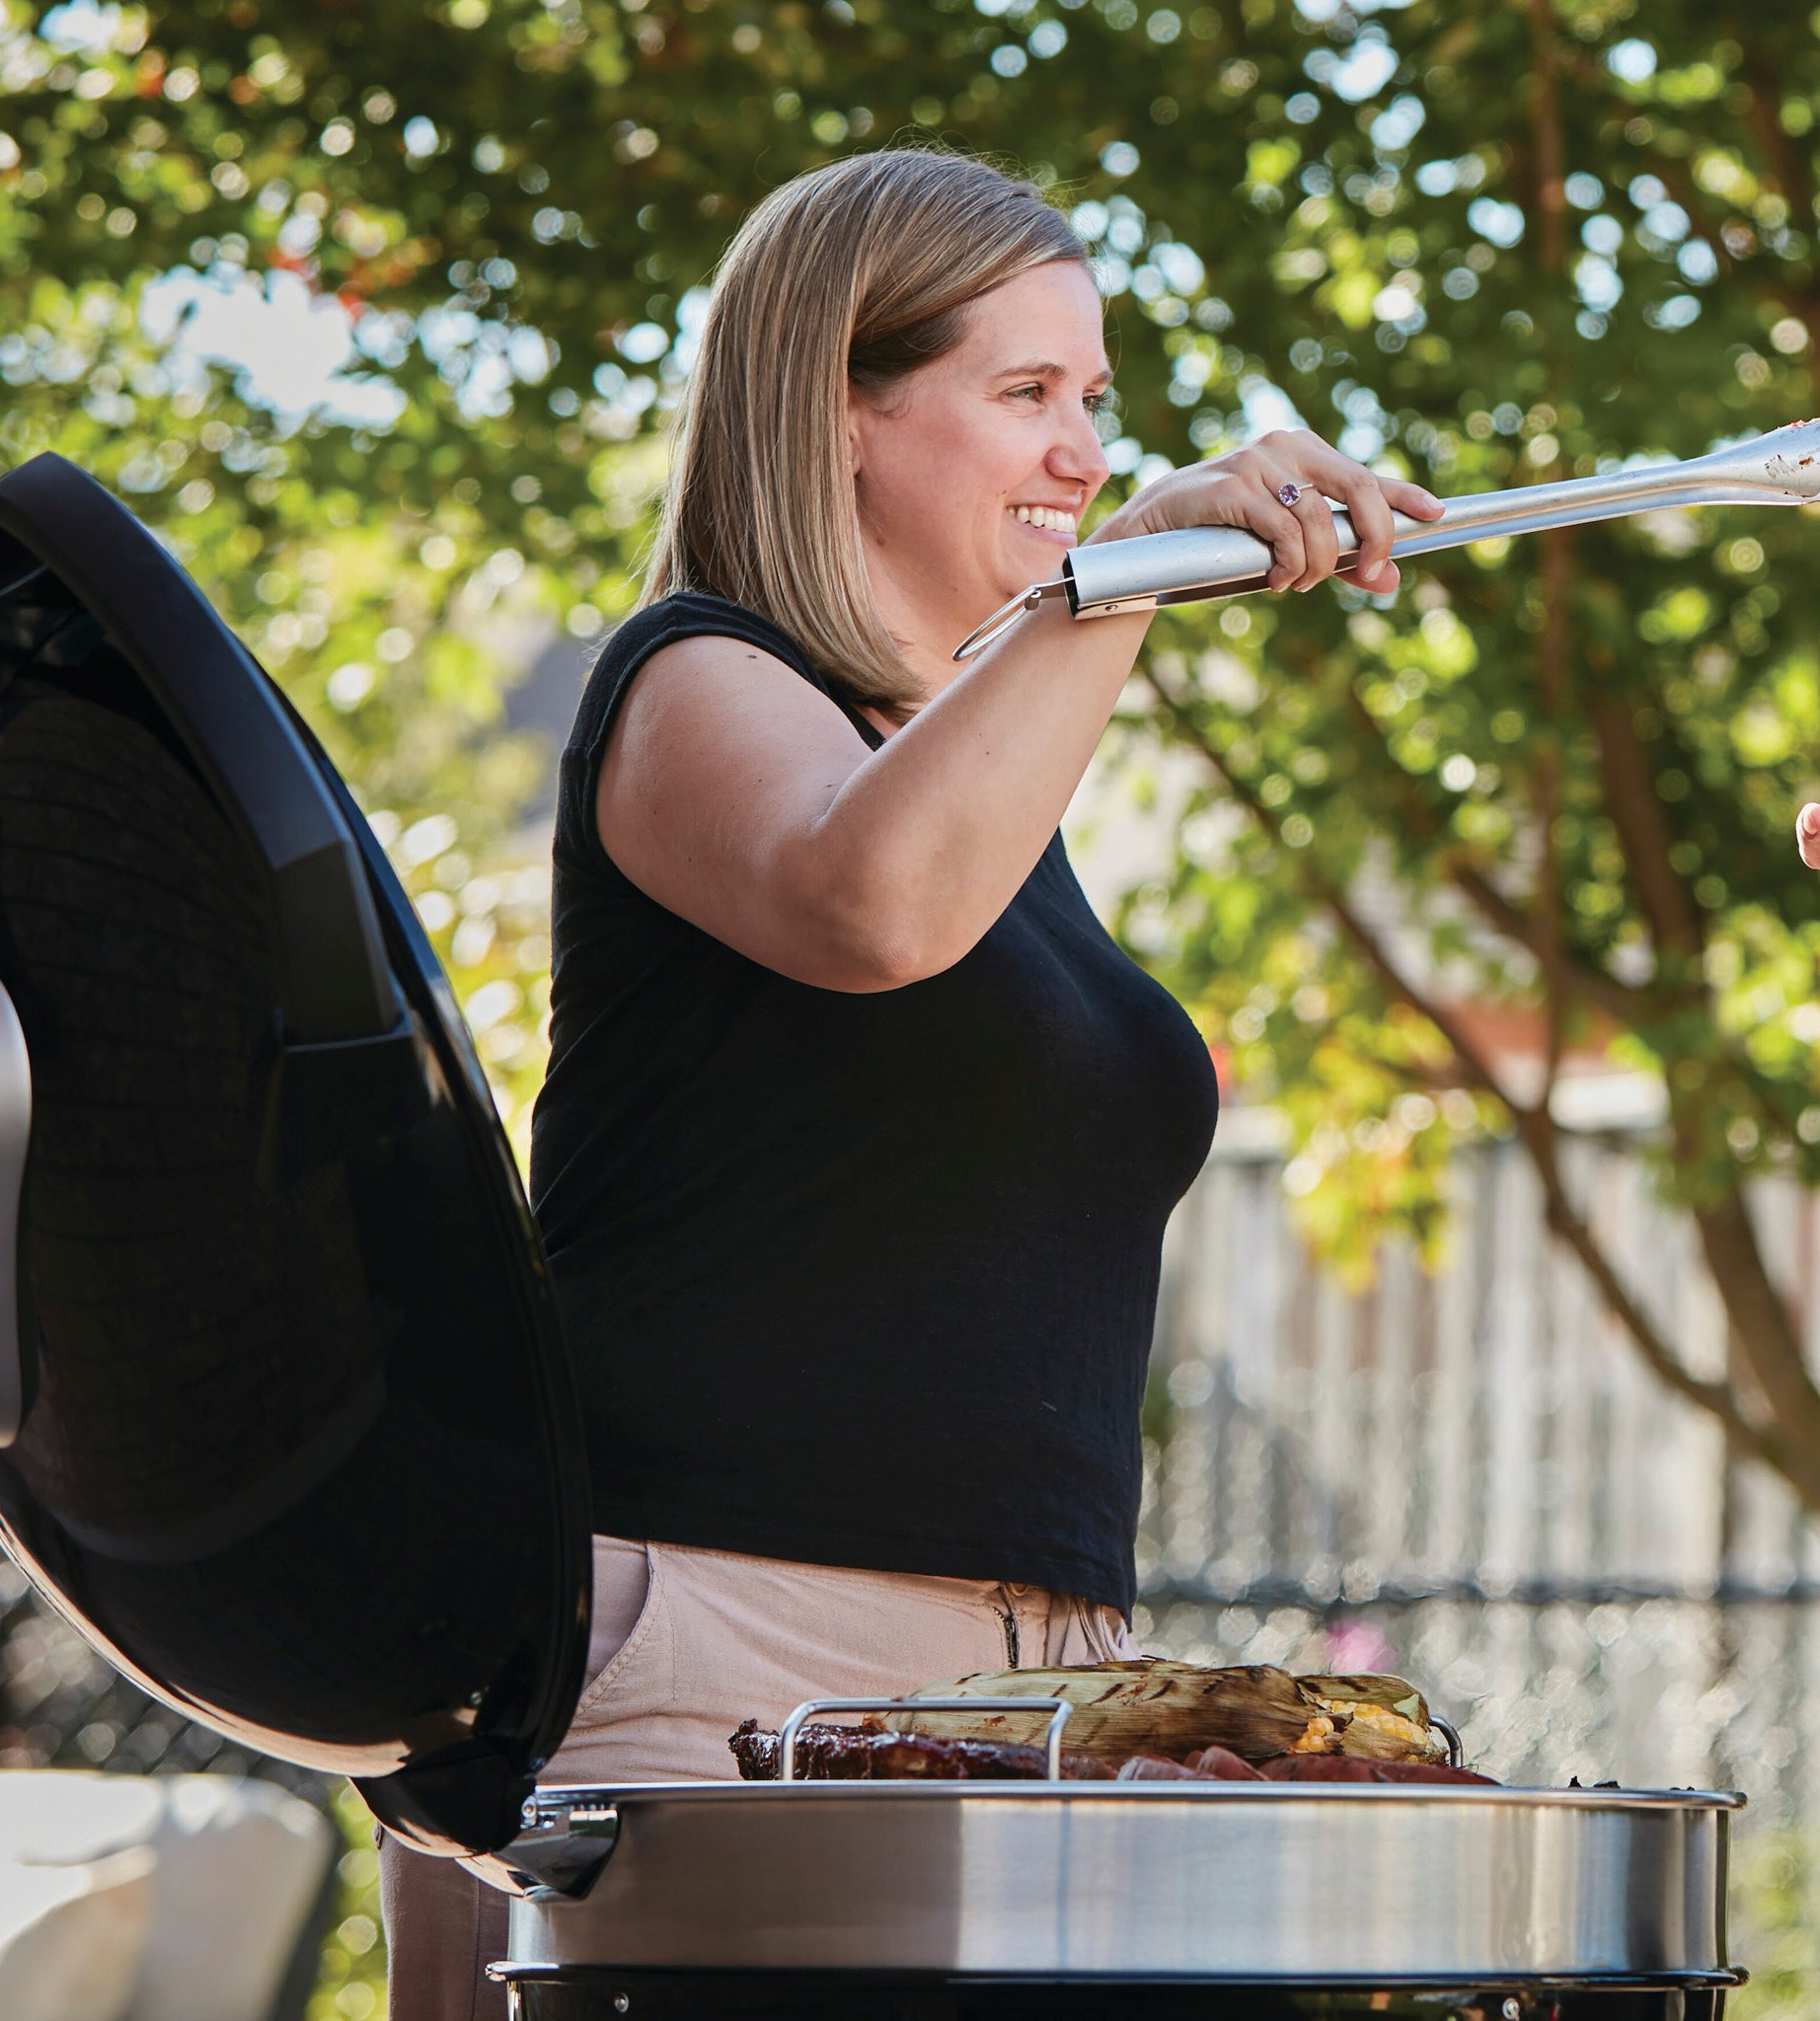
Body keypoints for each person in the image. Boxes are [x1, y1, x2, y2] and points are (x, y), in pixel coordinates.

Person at [376, 144, 1443, 2018]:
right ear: (839, 417)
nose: (1084, 454)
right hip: (715, 1650)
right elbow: (868, 904)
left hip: (1036, 1695)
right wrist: (1116, 587)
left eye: (1095, 404)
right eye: (1023, 395)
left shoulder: (988, 786)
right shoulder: (692, 675)